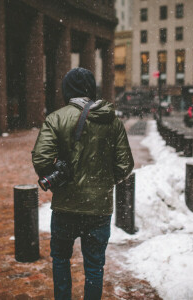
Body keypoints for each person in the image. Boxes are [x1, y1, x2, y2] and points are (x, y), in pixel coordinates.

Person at [32, 67, 134, 300]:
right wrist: (104, 182)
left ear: (66, 91)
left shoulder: (56, 118)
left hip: (65, 207)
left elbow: (41, 158)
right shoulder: (112, 121)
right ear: (92, 91)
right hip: (98, 208)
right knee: (94, 266)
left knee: (60, 259)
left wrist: (59, 178)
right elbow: (125, 164)